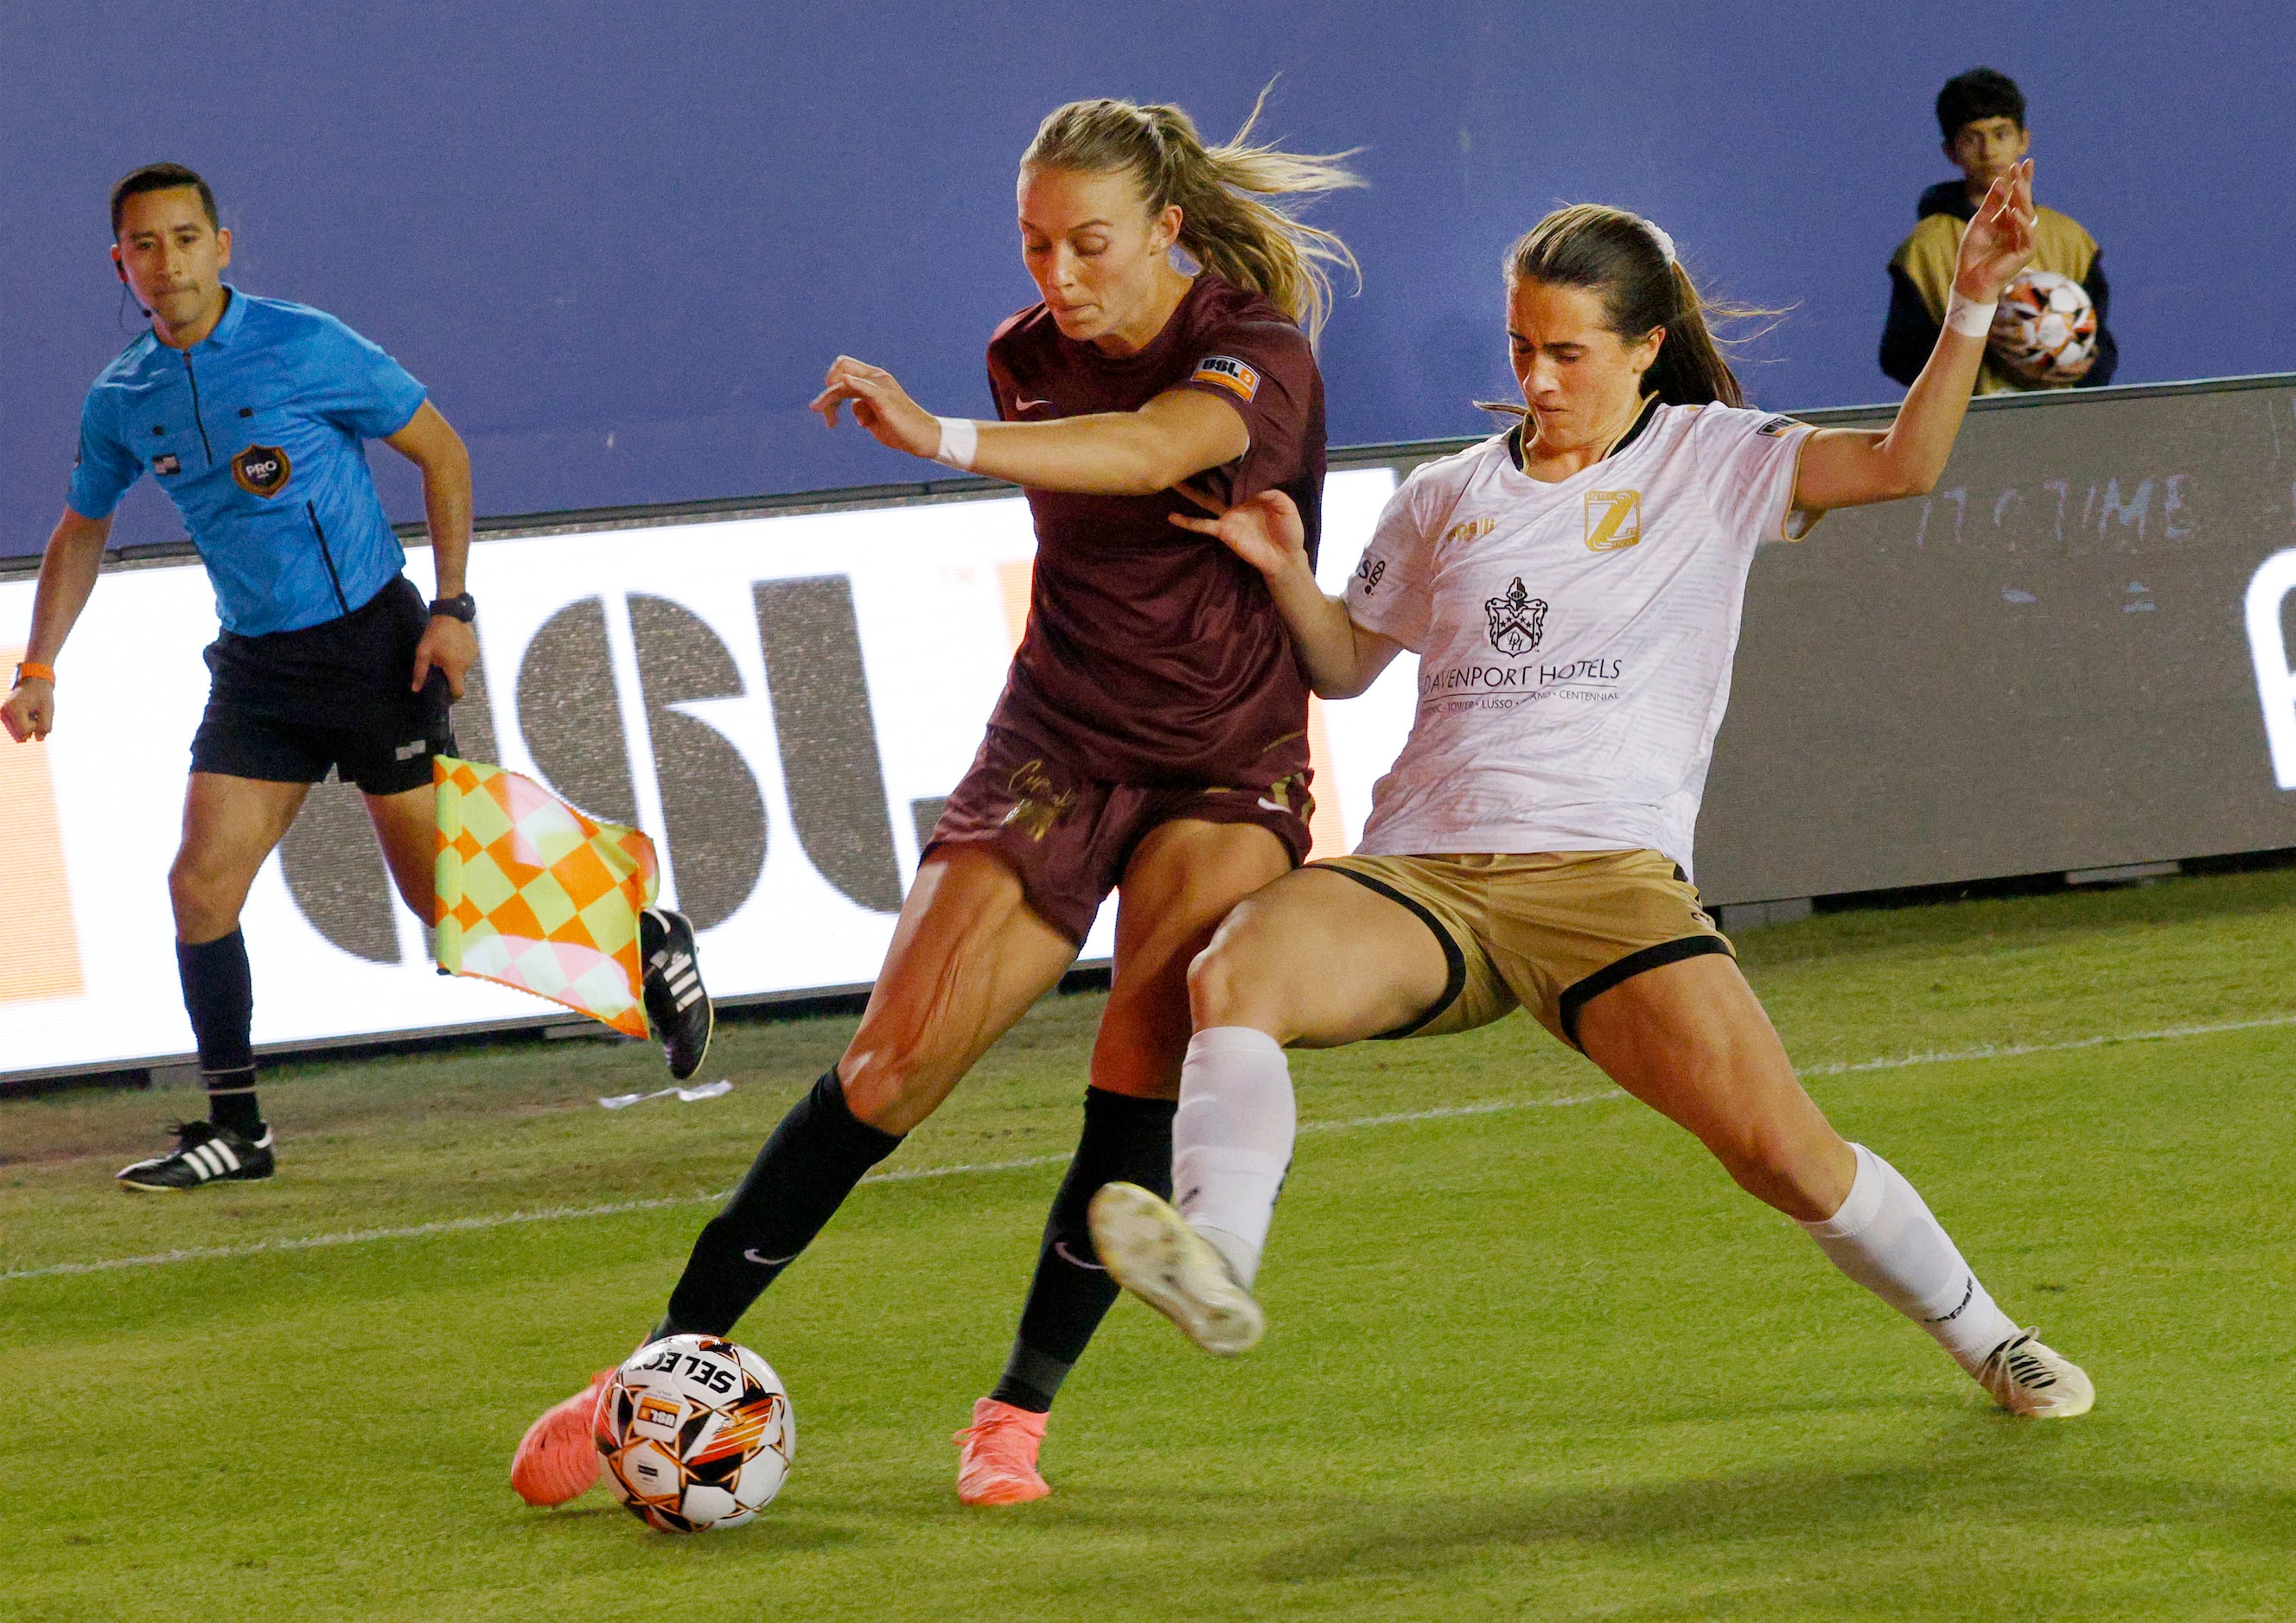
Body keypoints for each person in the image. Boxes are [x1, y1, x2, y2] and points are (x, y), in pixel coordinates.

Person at [1091, 169, 2096, 1422]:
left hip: (1607, 883)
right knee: (1233, 972)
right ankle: (1217, 1261)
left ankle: (1991, 1339)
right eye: (1521, 348)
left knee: (1786, 1157)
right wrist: (1289, 579)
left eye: (1568, 351)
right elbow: (1346, 668)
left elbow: (1903, 465)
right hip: (1426, 875)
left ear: (1645, 348)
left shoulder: (1717, 457)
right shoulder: (1445, 496)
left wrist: (1971, 308)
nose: (1539, 378)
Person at [508, 93, 1356, 1510]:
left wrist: (942, 440)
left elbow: (1156, 447)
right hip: (1062, 735)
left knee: (1136, 1064)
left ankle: (1014, 1413)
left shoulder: (1252, 349)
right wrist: (974, 415)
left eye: (1089, 245)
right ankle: (655, 1368)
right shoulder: (1023, 356)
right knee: (890, 1063)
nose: (1059, 279)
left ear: (1165, 228)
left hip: (1226, 753)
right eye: (1034, 246)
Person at [0, 163, 713, 1192]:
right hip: (256, 670)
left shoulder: (304, 344)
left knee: (441, 902)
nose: (168, 262)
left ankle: (639, 934)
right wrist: (38, 666)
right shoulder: (122, 399)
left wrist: (453, 607)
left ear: (222, 245)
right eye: (145, 246)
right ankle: (237, 1129)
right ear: (122, 264)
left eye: (186, 238)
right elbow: (82, 529)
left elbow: (445, 454)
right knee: (199, 887)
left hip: (372, 647)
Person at [1878, 67, 2116, 394]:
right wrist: (1975, 334)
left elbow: (2100, 343)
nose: (1988, 150)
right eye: (1971, 138)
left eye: (2000, 134)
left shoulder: (2071, 239)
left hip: (2059, 422)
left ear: (2024, 139)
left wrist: (2084, 368)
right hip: (1968, 425)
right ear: (1950, 151)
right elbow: (1899, 357)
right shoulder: (1925, 248)